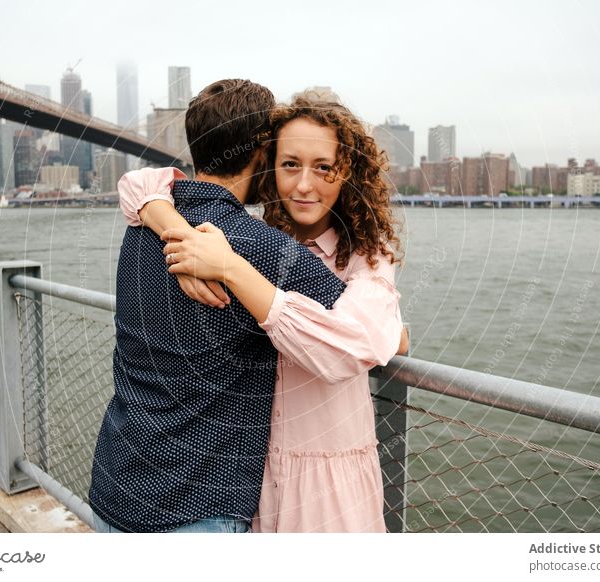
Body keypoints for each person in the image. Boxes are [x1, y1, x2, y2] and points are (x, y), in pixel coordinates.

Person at [119, 94, 406, 532]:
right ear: (267, 162)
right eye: (290, 164)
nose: (304, 185)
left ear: (348, 172)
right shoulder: (257, 236)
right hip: (248, 478)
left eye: (323, 167)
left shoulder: (366, 256)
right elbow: (138, 182)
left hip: (324, 480)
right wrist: (182, 239)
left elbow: (350, 344)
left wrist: (231, 269)